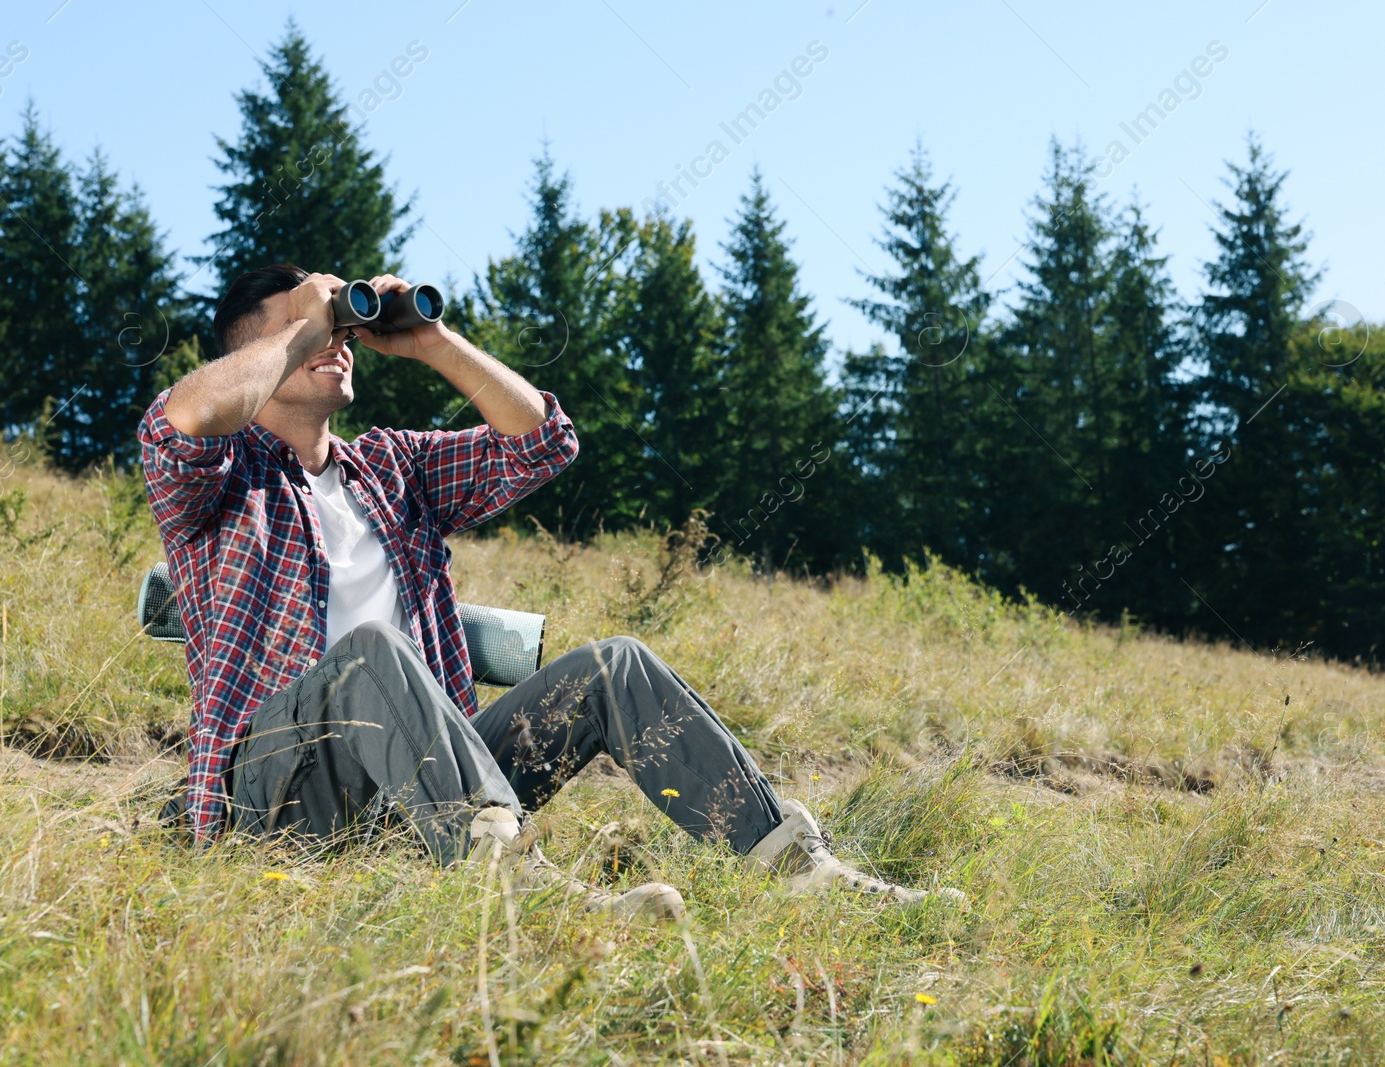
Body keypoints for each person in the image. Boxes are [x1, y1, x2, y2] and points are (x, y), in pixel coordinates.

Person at [141, 264, 965, 922]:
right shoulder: (220, 479)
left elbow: (541, 441)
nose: (338, 340)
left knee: (618, 665)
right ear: (261, 347)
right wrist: (301, 328)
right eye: (313, 326)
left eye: (341, 327)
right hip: (281, 796)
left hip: (432, 782)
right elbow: (178, 422)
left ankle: (797, 866)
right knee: (370, 654)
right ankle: (520, 890)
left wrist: (430, 340)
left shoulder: (392, 467)